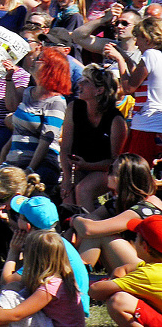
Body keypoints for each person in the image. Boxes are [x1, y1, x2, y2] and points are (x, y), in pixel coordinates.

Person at [0, 229, 84, 327]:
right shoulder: (52, 276)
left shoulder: (53, 285)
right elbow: (7, 287)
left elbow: (16, 314)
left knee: (10, 298)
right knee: (14, 287)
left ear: (34, 257)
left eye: (24, 249)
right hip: (49, 321)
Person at [70, 153, 162, 272]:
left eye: (111, 170)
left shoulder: (144, 208)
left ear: (123, 178)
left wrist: (74, 219)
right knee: (89, 229)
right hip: (138, 262)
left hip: (153, 269)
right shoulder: (122, 199)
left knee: (99, 235)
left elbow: (89, 229)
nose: (108, 174)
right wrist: (77, 225)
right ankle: (73, 276)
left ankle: (75, 279)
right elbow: (92, 218)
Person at [0, 47, 70, 191]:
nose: (33, 60)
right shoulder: (27, 93)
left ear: (50, 68)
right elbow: (12, 110)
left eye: (39, 59)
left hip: (41, 165)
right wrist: (2, 161)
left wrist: (30, 170)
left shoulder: (56, 101)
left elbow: (46, 141)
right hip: (15, 162)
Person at [60, 65, 126, 209]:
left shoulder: (116, 120)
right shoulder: (74, 107)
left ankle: (91, 228)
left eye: (86, 82)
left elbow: (116, 162)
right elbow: (65, 147)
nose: (79, 84)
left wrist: (88, 166)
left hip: (104, 171)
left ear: (99, 90)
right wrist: (66, 179)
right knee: (67, 198)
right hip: (78, 168)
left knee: (83, 189)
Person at [88, 215, 162, 327]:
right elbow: (125, 268)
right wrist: (119, 272)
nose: (134, 240)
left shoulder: (147, 275)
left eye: (137, 237)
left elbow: (95, 291)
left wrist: (114, 281)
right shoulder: (154, 267)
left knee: (118, 301)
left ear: (145, 246)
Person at [107, 16, 162, 164]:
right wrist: (125, 57)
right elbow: (141, 77)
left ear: (148, 39)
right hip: (153, 125)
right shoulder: (158, 56)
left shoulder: (150, 54)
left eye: (138, 38)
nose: (136, 44)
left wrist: (119, 59)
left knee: (134, 172)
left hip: (146, 125)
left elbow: (129, 87)